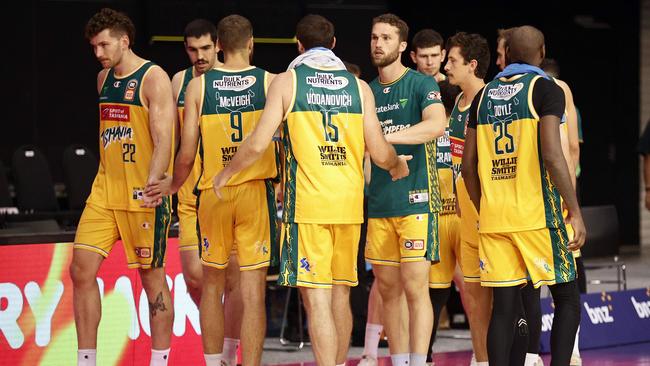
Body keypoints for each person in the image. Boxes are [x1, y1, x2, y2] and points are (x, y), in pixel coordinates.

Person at [206, 13, 411, 366]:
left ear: (298, 45)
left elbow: (257, 144)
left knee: (316, 300)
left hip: (309, 206)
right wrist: (396, 165)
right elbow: (378, 152)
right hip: (348, 206)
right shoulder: (358, 87)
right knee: (341, 294)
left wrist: (225, 173)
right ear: (333, 45)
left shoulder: (288, 82)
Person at [462, 25, 586, 365]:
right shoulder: (546, 89)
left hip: (494, 219)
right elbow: (552, 153)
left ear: (509, 54)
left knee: (503, 310)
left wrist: (484, 205)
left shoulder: (484, 96)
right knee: (567, 298)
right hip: (537, 216)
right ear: (541, 51)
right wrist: (574, 210)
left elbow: (467, 167)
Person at [70, 8, 174, 366]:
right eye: (94, 47)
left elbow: (163, 139)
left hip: (142, 193)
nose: (98, 52)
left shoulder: (153, 77)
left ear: (124, 40)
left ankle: (159, 361)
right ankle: (86, 360)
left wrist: (155, 182)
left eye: (103, 44)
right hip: (105, 191)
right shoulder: (103, 80)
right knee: (80, 269)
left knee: (152, 280)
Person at [366, 13, 447, 366]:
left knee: (416, 288)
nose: (378, 44)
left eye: (386, 38)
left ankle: (419, 361)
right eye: (374, 37)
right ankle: (398, 361)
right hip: (380, 204)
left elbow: (436, 125)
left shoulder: (420, 84)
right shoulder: (366, 90)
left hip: (417, 200)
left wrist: (383, 139)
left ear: (402, 47)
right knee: (387, 291)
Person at [170, 18, 242, 365]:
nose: (199, 56)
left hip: (227, 193)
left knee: (232, 279)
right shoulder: (179, 82)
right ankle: (220, 330)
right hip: (188, 195)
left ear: (218, 46)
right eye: (192, 49)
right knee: (196, 279)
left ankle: (227, 353)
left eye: (205, 49)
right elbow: (170, 138)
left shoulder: (236, 81)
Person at [443, 31, 492, 366]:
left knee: (504, 296)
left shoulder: (490, 100)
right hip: (464, 216)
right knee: (472, 296)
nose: (446, 66)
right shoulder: (457, 104)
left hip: (492, 216)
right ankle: (481, 358)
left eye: (452, 61)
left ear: (472, 65)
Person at [541, 57, 584, 366]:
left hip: (546, 198)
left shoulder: (557, 93)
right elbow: (571, 151)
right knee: (566, 280)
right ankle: (571, 352)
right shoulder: (561, 93)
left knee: (560, 284)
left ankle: (566, 353)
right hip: (556, 198)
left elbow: (570, 150)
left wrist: (570, 201)